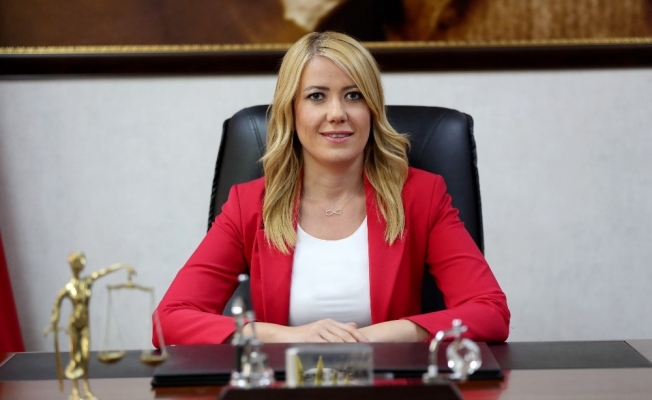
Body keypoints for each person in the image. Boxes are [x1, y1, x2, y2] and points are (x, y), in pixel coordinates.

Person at [155, 31, 509, 346]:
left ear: (372, 109)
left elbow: (490, 311)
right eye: (316, 96)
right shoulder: (249, 205)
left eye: (354, 95)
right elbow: (168, 320)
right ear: (291, 111)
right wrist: (284, 336)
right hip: (283, 386)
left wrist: (390, 333)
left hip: (390, 385)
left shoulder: (421, 196)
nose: (337, 113)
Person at [45, 252, 135, 400]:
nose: (80, 266)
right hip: (74, 325)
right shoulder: (68, 287)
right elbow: (57, 305)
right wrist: (54, 321)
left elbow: (104, 272)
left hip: (85, 325)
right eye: (77, 263)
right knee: (75, 357)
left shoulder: (87, 281)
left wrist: (121, 266)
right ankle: (75, 390)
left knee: (85, 356)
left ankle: (86, 388)